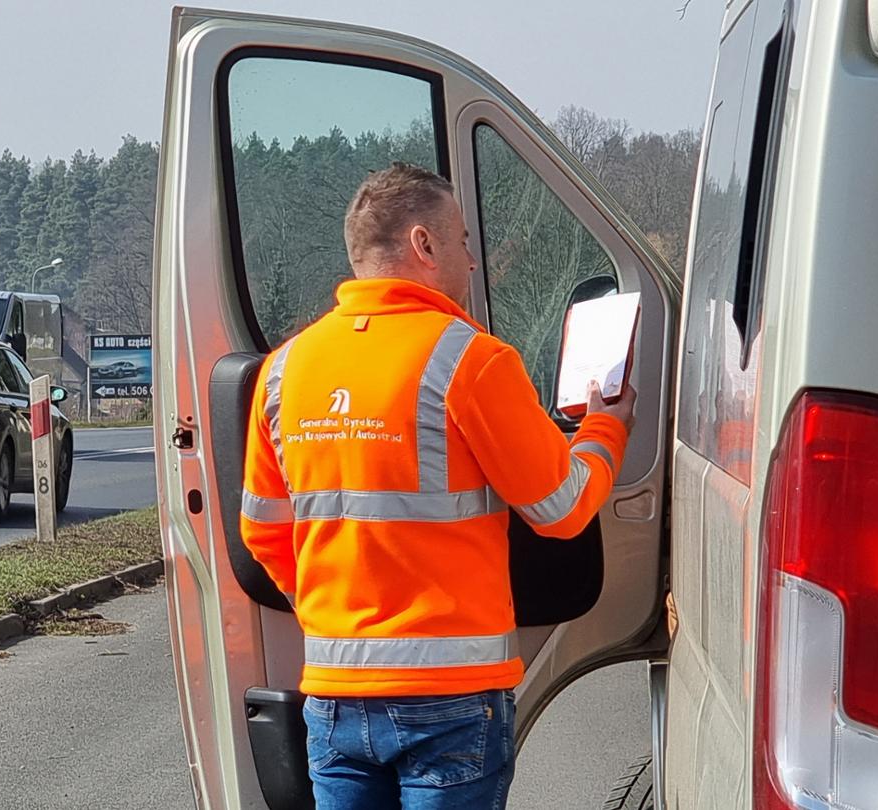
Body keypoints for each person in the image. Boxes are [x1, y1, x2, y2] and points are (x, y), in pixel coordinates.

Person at [238, 162, 637, 809]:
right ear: (424, 245)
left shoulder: (285, 370)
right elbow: (562, 509)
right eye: (463, 241)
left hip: (335, 695)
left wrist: (330, 614)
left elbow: (261, 529)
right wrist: (605, 430)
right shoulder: (472, 360)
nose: (472, 262)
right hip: (449, 697)